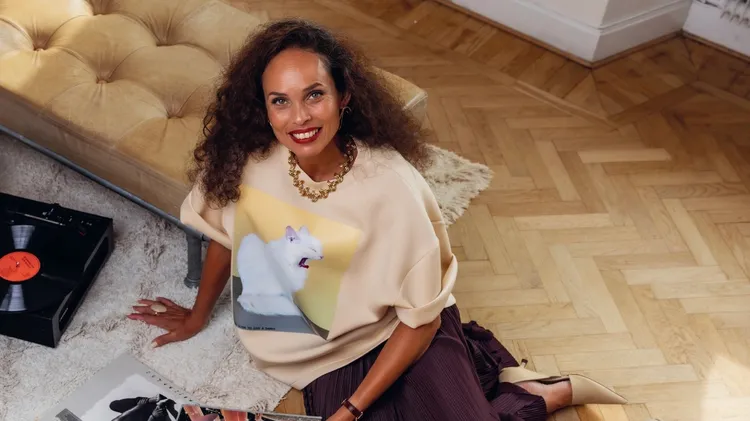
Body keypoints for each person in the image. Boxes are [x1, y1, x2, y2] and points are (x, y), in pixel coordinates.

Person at [127, 18, 627, 421]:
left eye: (314, 94)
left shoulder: (391, 186)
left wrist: (350, 411)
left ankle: (538, 392)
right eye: (280, 101)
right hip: (321, 360)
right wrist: (197, 316)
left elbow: (419, 318)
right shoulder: (251, 160)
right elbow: (226, 236)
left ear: (343, 96)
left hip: (401, 333)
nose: (299, 117)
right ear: (264, 106)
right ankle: (501, 382)